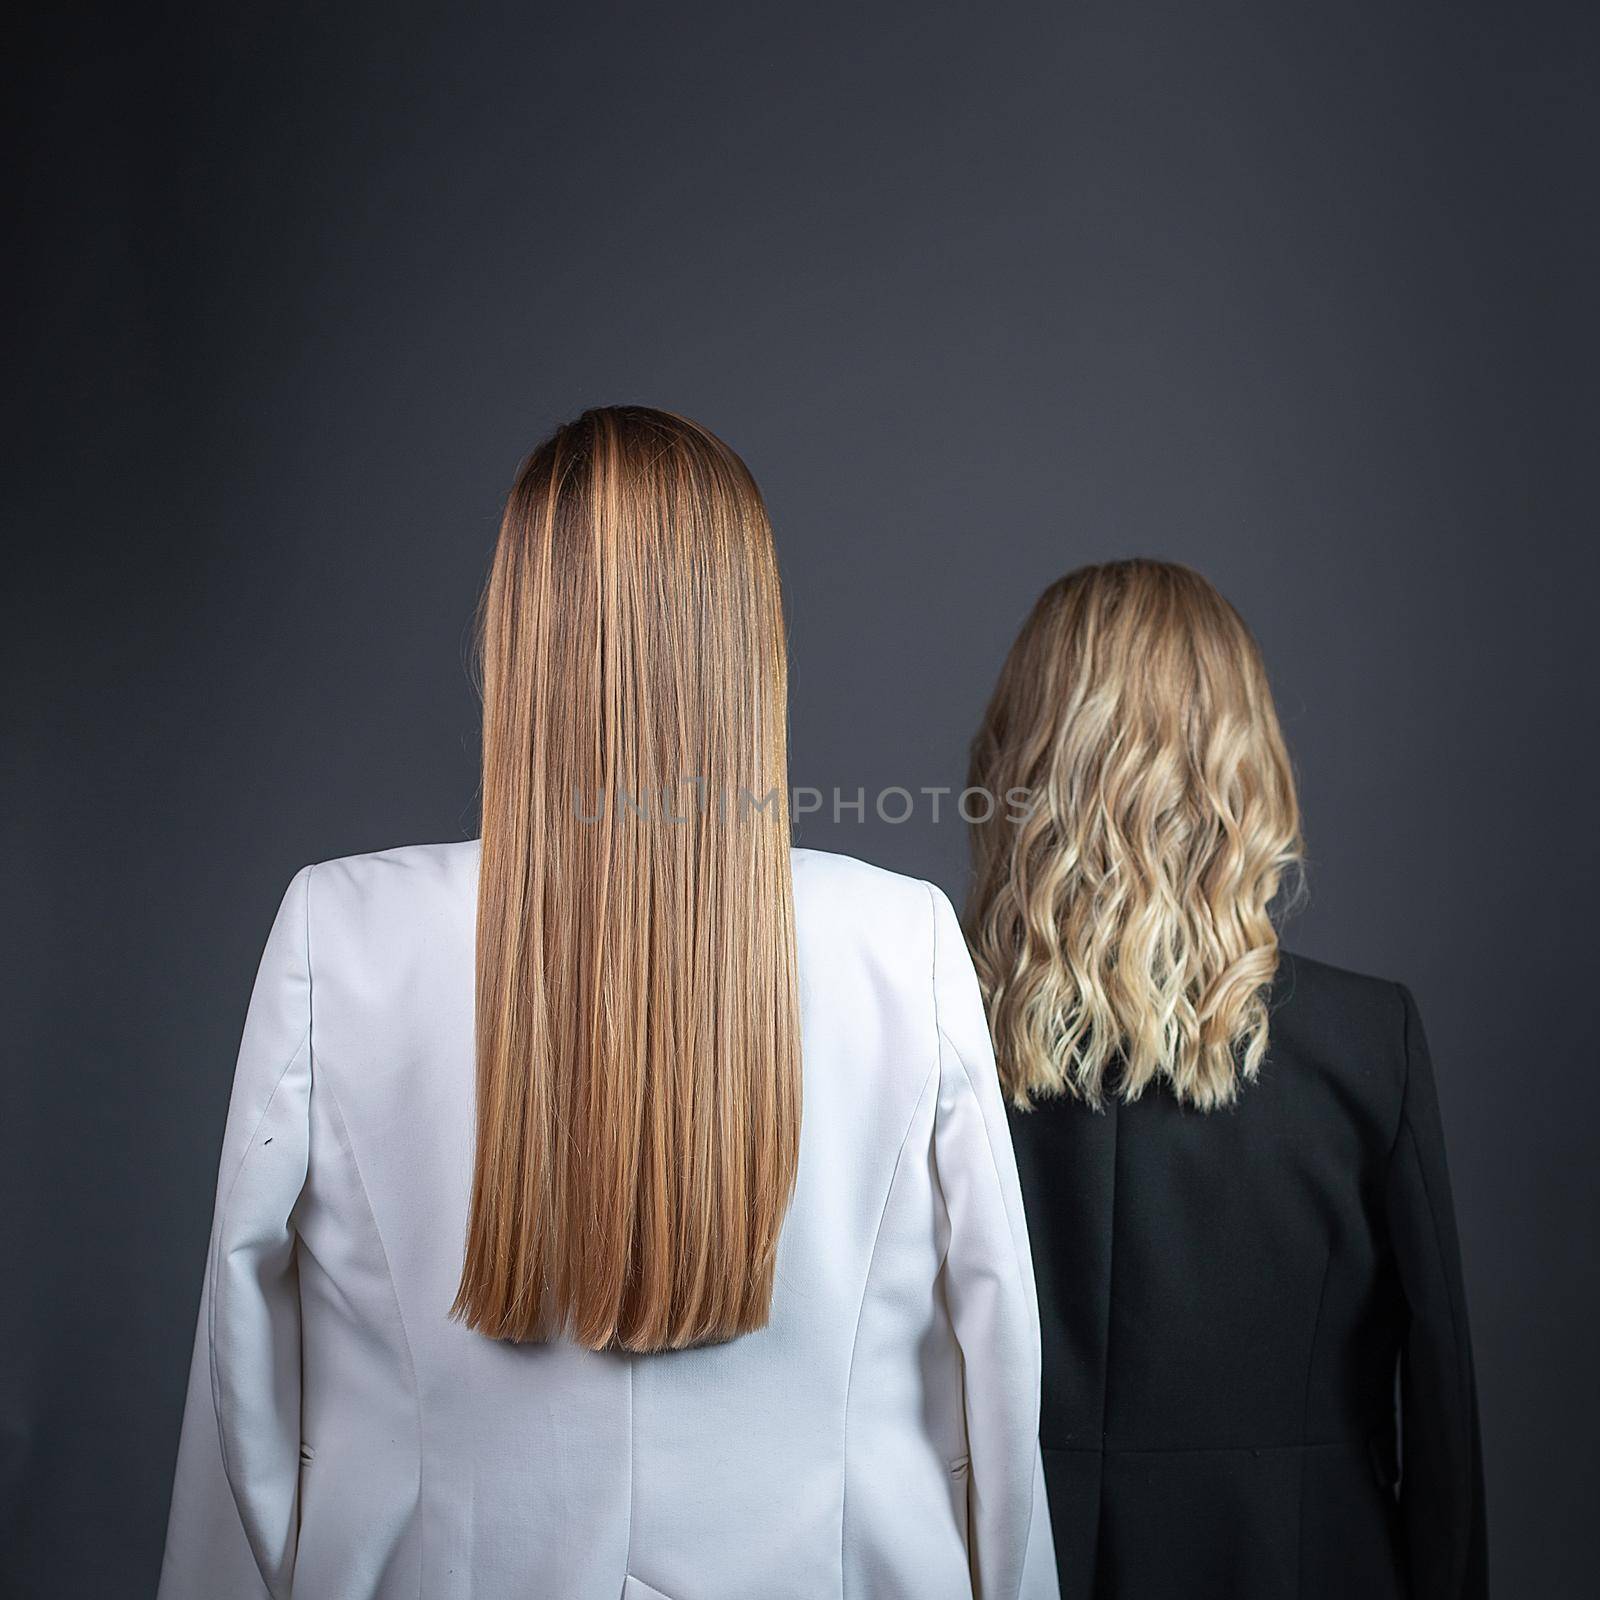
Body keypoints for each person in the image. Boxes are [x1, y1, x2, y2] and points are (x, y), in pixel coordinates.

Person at [157, 407, 1055, 1600]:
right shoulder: (902, 942)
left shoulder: (342, 933)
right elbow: (995, 1368)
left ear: (514, 630)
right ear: (755, 646)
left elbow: (240, 1374)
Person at [965, 558, 1486, 1599]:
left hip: (1002, 1563)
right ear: (1247, 763)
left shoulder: (941, 1038)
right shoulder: (1363, 1041)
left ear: (1019, 757)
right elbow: (1438, 1414)